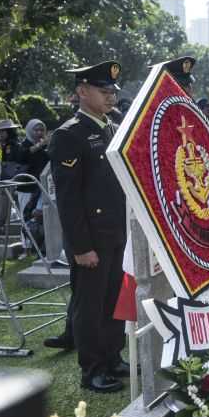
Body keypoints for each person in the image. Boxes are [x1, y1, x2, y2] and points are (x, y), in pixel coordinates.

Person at [47, 60, 128, 393]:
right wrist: (81, 247)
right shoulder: (69, 135)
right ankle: (92, 368)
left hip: (115, 231)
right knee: (89, 304)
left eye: (112, 91)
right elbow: (68, 199)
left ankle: (112, 356)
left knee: (113, 300)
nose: (110, 97)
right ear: (82, 92)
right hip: (90, 237)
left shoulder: (112, 127)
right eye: (103, 90)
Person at [16, 119, 50, 252]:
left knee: (38, 215)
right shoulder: (24, 144)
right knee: (25, 215)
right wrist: (39, 146)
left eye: (42, 130)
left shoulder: (45, 145)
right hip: (26, 186)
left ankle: (38, 244)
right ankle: (26, 247)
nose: (39, 133)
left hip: (41, 185)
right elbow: (21, 156)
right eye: (36, 130)